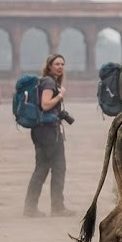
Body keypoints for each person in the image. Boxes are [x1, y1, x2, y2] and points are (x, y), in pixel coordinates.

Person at [24, 54, 75, 218]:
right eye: (57, 64)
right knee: (57, 168)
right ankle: (57, 207)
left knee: (42, 168)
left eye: (62, 64)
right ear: (49, 66)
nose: (60, 67)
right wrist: (60, 96)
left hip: (42, 130)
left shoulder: (46, 81)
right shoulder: (49, 82)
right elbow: (45, 105)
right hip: (48, 132)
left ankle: (31, 207)